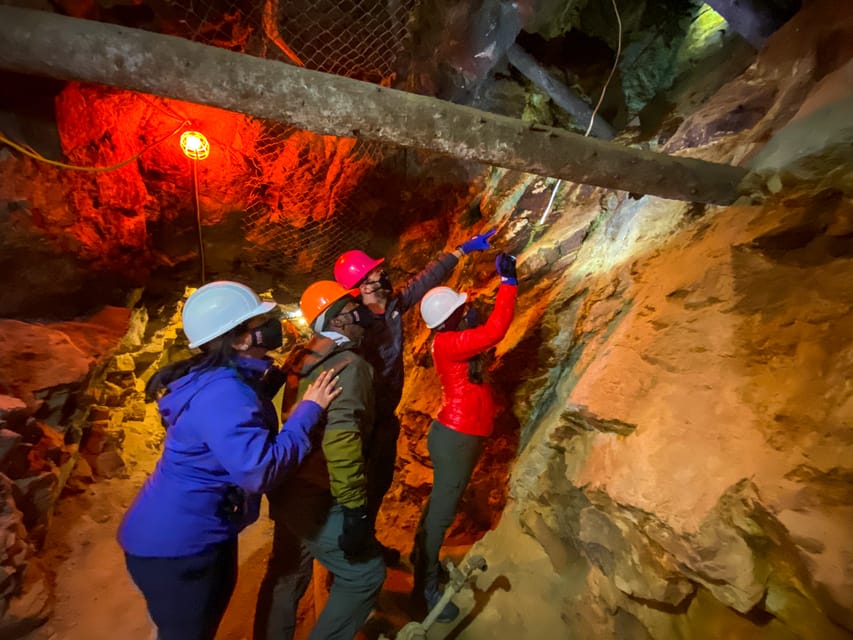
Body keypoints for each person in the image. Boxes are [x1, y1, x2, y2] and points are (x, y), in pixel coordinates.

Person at [118, 280, 342, 640]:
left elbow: (236, 414)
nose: (272, 328)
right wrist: (308, 411)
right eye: (258, 324)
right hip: (178, 549)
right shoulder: (225, 393)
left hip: (184, 534)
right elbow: (260, 470)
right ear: (238, 339)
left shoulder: (219, 376)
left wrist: (280, 375)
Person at [332, 228, 497, 563]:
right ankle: (346, 553)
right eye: (376, 272)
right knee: (355, 486)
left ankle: (368, 541)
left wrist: (461, 251)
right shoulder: (352, 325)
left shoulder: (391, 305)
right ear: (363, 286)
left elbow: (425, 279)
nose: (383, 273)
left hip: (385, 414)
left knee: (379, 480)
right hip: (361, 417)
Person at [254, 280, 385, 640]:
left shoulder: (302, 355)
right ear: (335, 320)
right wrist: (355, 508)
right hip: (317, 493)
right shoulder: (349, 367)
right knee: (365, 575)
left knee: (287, 574)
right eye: (351, 309)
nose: (359, 313)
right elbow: (342, 443)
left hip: (287, 486)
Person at [411, 253, 518, 622]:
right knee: (442, 512)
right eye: (459, 310)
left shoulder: (448, 339)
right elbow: (494, 332)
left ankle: (421, 560)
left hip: (456, 433)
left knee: (438, 506)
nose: (465, 309)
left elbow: (476, 333)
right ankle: (425, 587)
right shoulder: (449, 344)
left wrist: (468, 307)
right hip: (457, 436)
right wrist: (508, 284)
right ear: (448, 320)